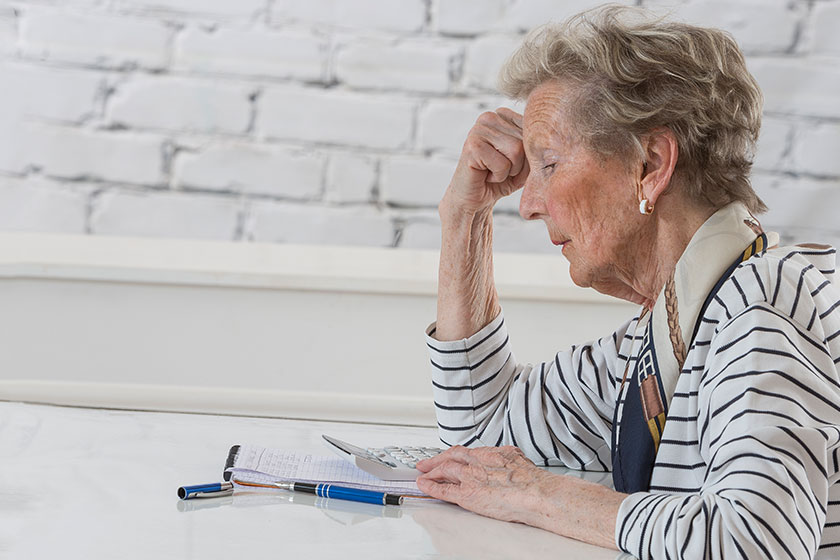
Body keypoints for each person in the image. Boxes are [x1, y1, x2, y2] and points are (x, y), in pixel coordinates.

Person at [413, 6, 840, 559]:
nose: (529, 205)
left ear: (651, 164)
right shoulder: (666, 332)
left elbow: (760, 543)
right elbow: (478, 439)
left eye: (548, 164)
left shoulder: (764, 305)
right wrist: (464, 218)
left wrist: (540, 495)